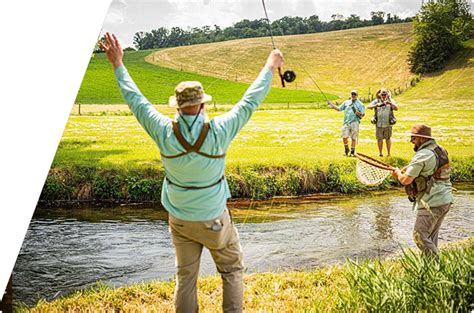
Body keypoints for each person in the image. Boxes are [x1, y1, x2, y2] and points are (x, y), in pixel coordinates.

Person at [100, 32, 284, 312]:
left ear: (178, 106)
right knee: (232, 270)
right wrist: (270, 66)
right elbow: (250, 101)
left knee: (185, 277)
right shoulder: (221, 130)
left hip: (180, 219)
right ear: (202, 105)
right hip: (214, 219)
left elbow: (135, 100)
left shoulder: (162, 130)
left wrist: (118, 64)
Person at [391, 124, 453, 257]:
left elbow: (406, 180)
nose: (411, 141)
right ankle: (432, 270)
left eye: (413, 138)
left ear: (421, 138)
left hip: (432, 201)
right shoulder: (440, 149)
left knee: (420, 236)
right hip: (445, 200)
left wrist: (397, 174)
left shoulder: (423, 155)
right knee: (430, 237)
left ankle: (438, 264)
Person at [328, 90, 365, 156]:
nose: (353, 95)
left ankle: (352, 152)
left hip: (355, 122)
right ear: (350, 95)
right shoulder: (346, 102)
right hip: (346, 122)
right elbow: (339, 109)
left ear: (357, 95)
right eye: (352, 94)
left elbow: (362, 115)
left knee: (354, 138)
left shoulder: (361, 104)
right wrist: (332, 105)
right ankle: (346, 149)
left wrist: (359, 113)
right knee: (344, 136)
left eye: (354, 94)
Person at [367, 88, 398, 157]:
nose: (383, 96)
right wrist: (376, 105)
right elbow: (368, 106)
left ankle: (388, 154)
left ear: (387, 95)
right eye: (382, 94)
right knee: (379, 139)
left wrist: (390, 103)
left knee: (388, 139)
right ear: (379, 95)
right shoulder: (376, 101)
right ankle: (380, 153)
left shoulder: (391, 100)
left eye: (385, 94)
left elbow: (396, 108)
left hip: (388, 124)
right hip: (379, 124)